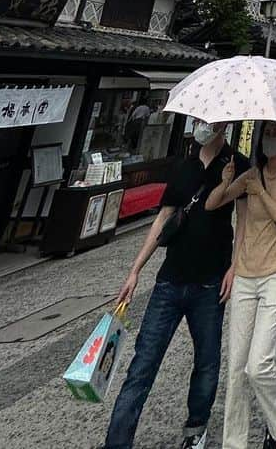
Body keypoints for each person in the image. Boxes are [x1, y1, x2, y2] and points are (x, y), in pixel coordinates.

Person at [104, 119, 247, 449]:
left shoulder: (237, 163)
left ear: (225, 126)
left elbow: (243, 221)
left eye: (211, 122)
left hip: (211, 280)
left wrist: (234, 267)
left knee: (207, 361)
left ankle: (196, 428)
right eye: (200, 121)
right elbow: (163, 220)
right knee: (143, 363)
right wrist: (135, 269)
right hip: (169, 280)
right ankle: (117, 441)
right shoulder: (184, 165)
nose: (203, 126)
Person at [208, 117, 276, 449]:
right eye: (266, 132)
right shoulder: (250, 174)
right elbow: (213, 204)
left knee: (258, 364)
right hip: (246, 276)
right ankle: (233, 443)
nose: (270, 138)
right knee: (236, 368)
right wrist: (225, 182)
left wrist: (258, 190)